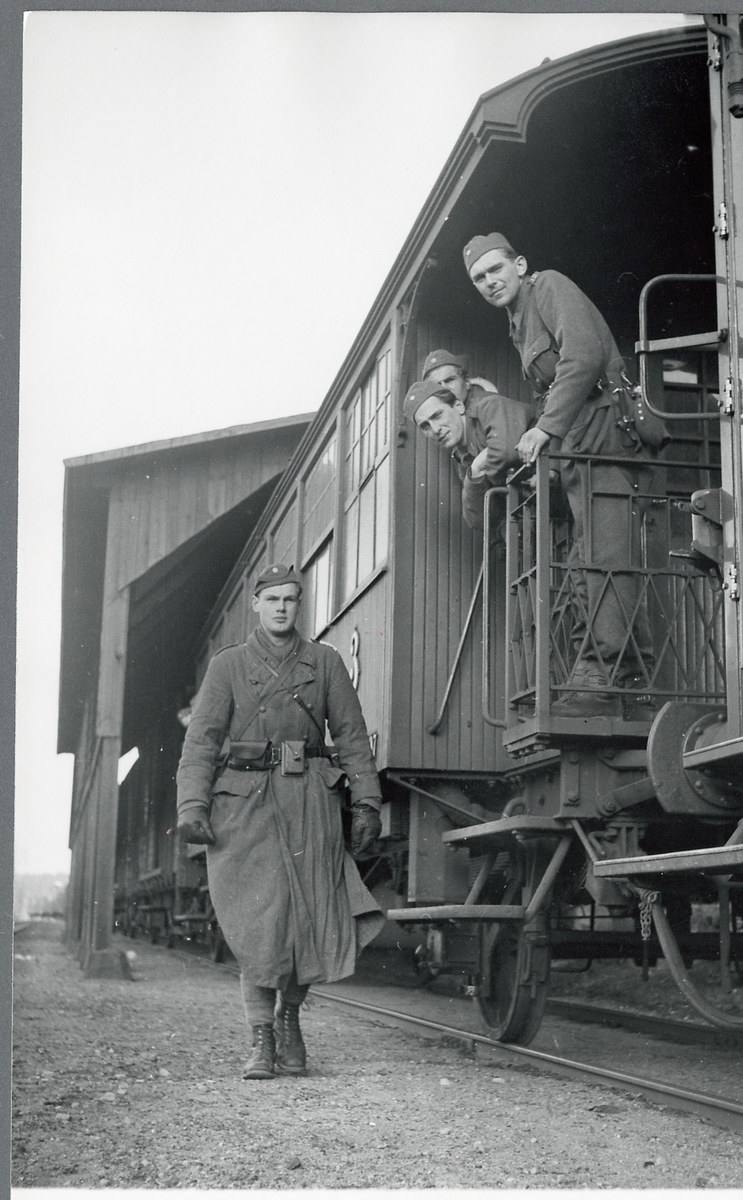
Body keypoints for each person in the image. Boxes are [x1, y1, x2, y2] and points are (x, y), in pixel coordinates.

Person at [175, 564, 384, 1080]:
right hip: (245, 806)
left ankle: (289, 1018)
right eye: (273, 600)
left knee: (308, 917)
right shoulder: (228, 667)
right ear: (257, 604)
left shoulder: (326, 662)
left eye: (291, 599)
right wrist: (191, 807)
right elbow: (200, 743)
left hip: (310, 801)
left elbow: (355, 740)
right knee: (259, 922)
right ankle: (260, 1038)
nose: (282, 608)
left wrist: (367, 803)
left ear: (298, 604)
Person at [463, 232, 664, 719]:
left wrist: (545, 430)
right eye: (479, 278)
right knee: (588, 559)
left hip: (605, 443)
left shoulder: (548, 287)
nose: (490, 281)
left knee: (604, 556)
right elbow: (544, 393)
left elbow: (584, 357)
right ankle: (627, 676)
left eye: (496, 269)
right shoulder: (517, 321)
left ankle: (600, 674)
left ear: (520, 263)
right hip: (578, 452)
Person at [403, 368, 533, 530]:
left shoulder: (489, 407)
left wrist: (480, 475)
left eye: (437, 416)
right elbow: (478, 519)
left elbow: (505, 452)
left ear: (458, 406)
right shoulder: (462, 459)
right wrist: (476, 468)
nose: (435, 429)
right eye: (425, 426)